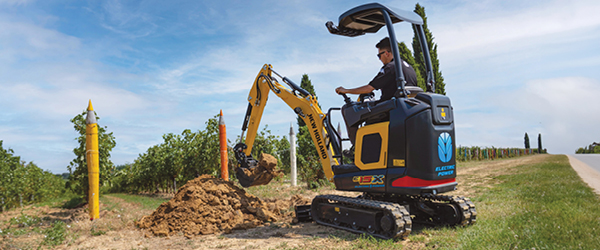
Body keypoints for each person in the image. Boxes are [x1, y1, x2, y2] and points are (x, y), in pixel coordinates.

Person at [335, 37, 418, 153]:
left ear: (387, 53)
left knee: (348, 110)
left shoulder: (390, 67)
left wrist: (346, 90)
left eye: (379, 55)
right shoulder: (408, 68)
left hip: (389, 109)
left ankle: (358, 150)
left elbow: (369, 88)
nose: (379, 59)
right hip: (403, 110)